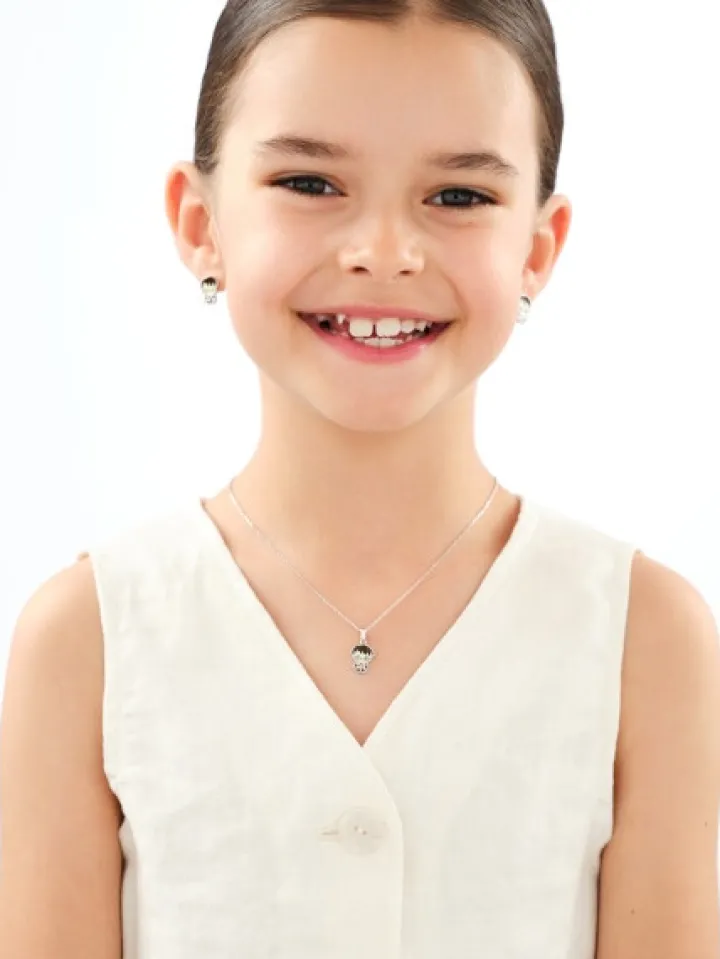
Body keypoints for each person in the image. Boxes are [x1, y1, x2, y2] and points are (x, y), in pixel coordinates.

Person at [2, 1, 720, 957]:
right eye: (310, 182)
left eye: (458, 195)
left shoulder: (645, 638)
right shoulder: (89, 638)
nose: (384, 252)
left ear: (538, 248)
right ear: (200, 222)